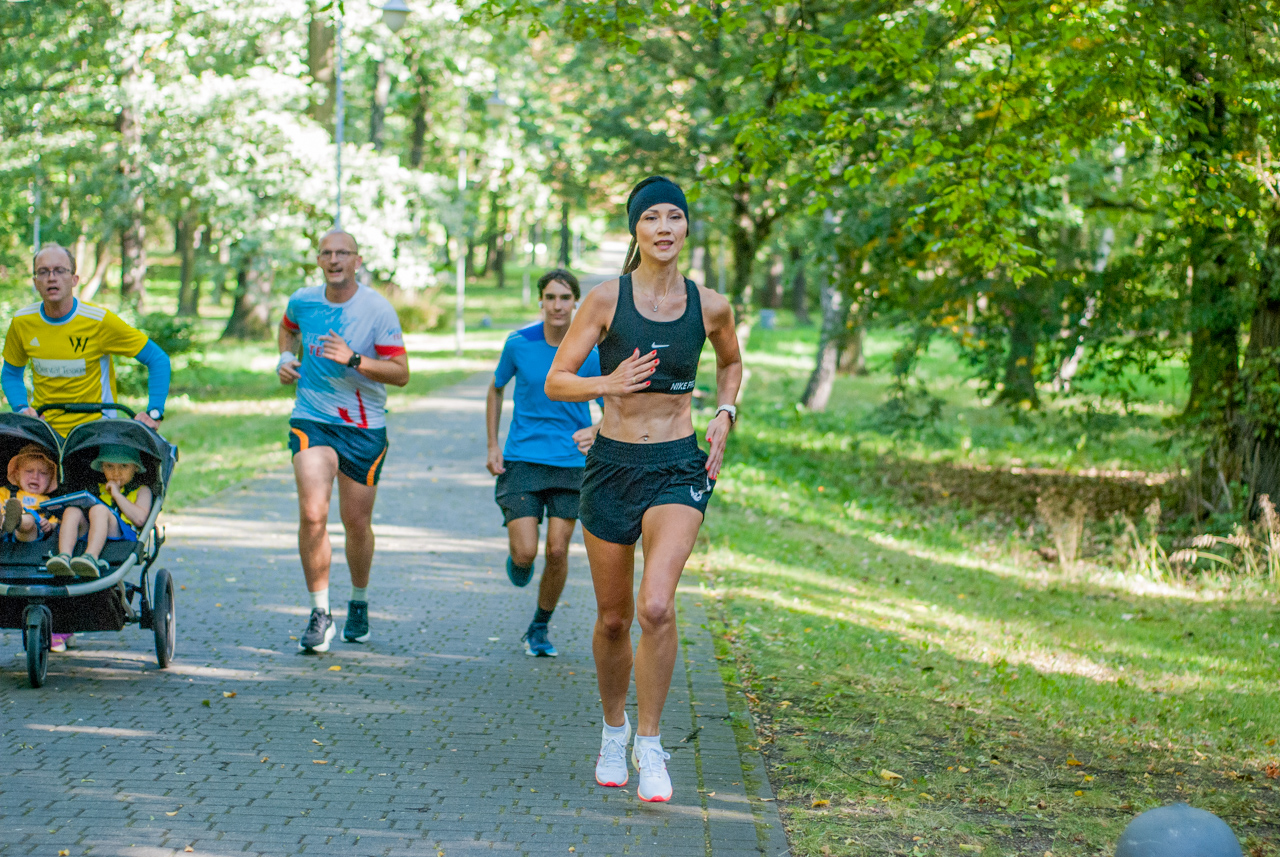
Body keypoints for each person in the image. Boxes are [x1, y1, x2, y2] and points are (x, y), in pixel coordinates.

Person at [545, 176, 743, 803]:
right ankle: (613, 729)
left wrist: (725, 411)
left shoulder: (710, 305)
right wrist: (612, 384)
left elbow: (731, 362)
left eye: (674, 217)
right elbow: (557, 381)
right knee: (613, 618)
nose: (664, 227)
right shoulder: (605, 300)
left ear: (686, 229)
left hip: (677, 468)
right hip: (611, 468)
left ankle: (651, 746)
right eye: (651, 217)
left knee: (656, 606)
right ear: (636, 230)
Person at [277, 229, 408, 653]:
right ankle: (320, 612)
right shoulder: (304, 300)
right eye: (326, 253)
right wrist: (284, 358)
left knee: (356, 523)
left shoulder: (377, 309)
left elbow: (402, 373)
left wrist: (353, 358)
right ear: (318, 260)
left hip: (363, 425)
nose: (334, 260)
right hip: (312, 418)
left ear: (357, 259)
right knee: (313, 514)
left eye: (342, 253)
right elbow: (287, 329)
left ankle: (359, 599)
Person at [486, 269, 601, 658]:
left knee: (556, 551)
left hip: (571, 462)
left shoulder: (590, 350)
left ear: (575, 303)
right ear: (541, 301)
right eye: (550, 297)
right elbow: (496, 387)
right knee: (525, 553)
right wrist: (492, 445)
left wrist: (598, 431)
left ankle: (539, 626)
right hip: (522, 459)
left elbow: (614, 402)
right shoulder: (519, 343)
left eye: (564, 298)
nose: (557, 305)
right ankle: (518, 562)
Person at [1, 243, 170, 436]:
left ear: (74, 279)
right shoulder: (22, 322)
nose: (51, 277)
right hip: (44, 430)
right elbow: (11, 374)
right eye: (43, 272)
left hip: (96, 432)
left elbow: (157, 359)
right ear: (35, 281)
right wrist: (22, 408)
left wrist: (155, 412)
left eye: (59, 270)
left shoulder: (99, 321)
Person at [46, 444, 152, 580]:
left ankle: (91, 557)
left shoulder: (142, 490)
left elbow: (140, 520)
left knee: (99, 509)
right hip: (91, 532)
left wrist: (116, 494)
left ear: (135, 468)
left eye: (124, 466)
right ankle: (64, 556)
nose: (116, 472)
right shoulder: (96, 488)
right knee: (72, 510)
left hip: (122, 536)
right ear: (102, 467)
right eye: (109, 466)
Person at [3, 442, 59, 544]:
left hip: (28, 534)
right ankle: (6, 521)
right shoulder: (5, 492)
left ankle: (18, 521)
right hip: (3, 529)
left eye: (43, 473)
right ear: (17, 474)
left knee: (29, 519)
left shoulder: (50, 502)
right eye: (29, 471)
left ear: (50, 479)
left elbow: (56, 523)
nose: (35, 477)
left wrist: (49, 526)